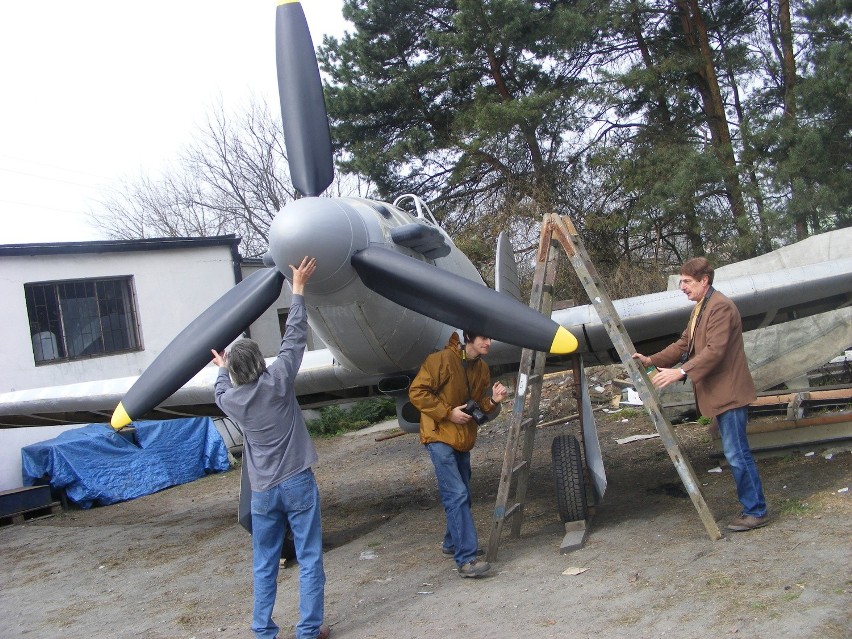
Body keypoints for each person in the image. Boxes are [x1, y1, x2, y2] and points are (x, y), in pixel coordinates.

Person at [212, 256, 330, 639]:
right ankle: (308, 631)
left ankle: (263, 631)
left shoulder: (231, 401)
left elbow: (219, 390)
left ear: (233, 374)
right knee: (310, 556)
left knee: (264, 562)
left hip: (262, 491)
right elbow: (294, 337)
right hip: (296, 480)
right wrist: (297, 289)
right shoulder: (278, 379)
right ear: (261, 363)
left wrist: (220, 366)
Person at [632, 257, 768, 532]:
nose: (682, 287)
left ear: (704, 280)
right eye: (681, 281)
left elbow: (715, 351)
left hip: (729, 393)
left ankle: (756, 511)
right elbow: (685, 343)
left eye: (687, 282)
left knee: (736, 453)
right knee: (734, 452)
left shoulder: (720, 307)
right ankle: (753, 508)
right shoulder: (701, 308)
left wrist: (681, 372)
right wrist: (651, 359)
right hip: (720, 393)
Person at [408, 331, 509, 577]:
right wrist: (447, 412)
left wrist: (494, 401)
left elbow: (478, 408)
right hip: (438, 435)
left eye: (490, 338)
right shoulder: (440, 360)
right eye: (483, 338)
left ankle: (452, 543)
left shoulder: (482, 368)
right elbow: (417, 392)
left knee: (462, 493)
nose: (488, 342)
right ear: (469, 338)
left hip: (463, 438)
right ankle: (466, 559)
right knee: (457, 494)